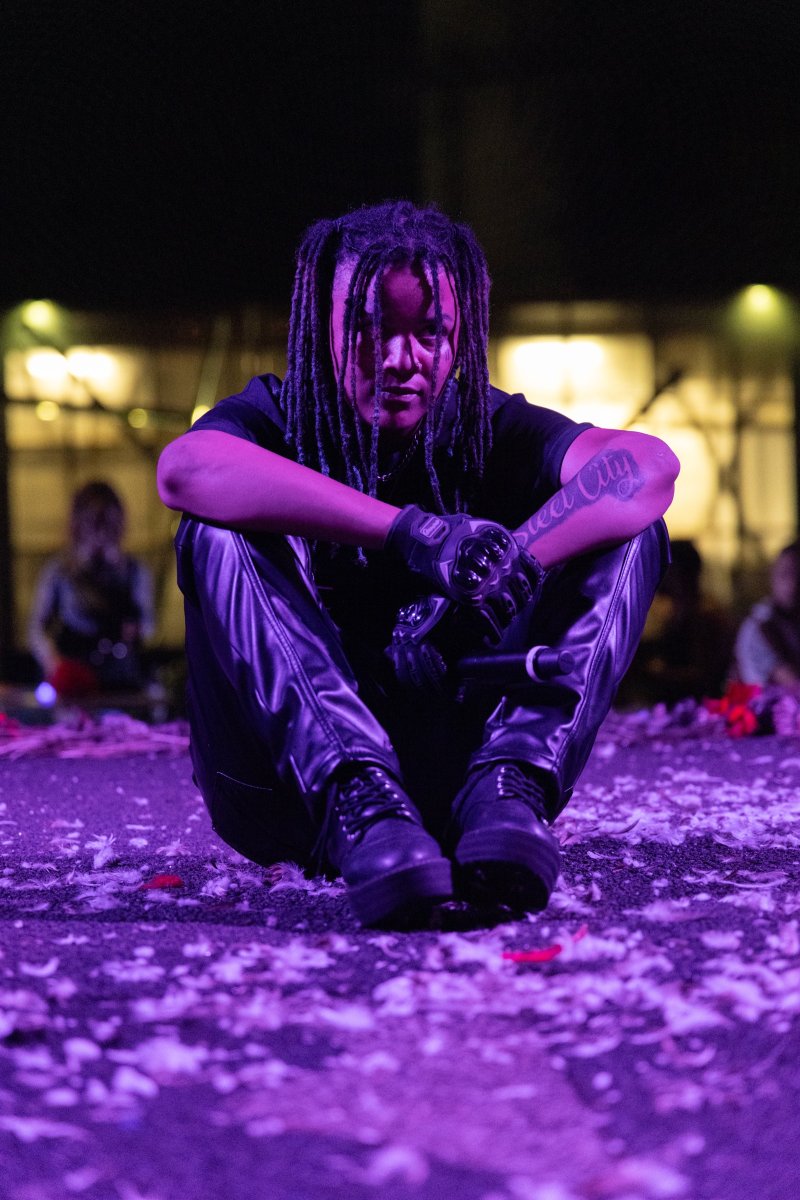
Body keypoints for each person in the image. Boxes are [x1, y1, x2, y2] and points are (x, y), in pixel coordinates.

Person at [157, 201, 678, 928]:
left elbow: (647, 469)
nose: (399, 359)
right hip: (285, 794)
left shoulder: (487, 428)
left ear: (459, 334)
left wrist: (498, 568)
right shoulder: (276, 419)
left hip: (459, 790)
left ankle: (513, 780)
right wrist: (415, 536)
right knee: (217, 531)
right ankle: (358, 793)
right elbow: (185, 471)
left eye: (428, 332)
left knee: (631, 531)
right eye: (367, 331)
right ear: (322, 327)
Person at [28, 481, 155, 696]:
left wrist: (134, 630)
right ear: (78, 524)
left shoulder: (134, 571)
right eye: (94, 522)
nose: (102, 532)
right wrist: (55, 663)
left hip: (121, 681)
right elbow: (37, 630)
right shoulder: (60, 571)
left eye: (109, 523)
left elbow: (148, 624)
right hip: (73, 682)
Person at [619, 539, 735, 706]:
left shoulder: (706, 618)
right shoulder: (675, 612)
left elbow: (704, 678)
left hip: (699, 713)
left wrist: (653, 672)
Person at [734, 541, 800, 690]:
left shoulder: (791, 621)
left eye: (798, 575)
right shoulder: (760, 627)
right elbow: (793, 682)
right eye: (786, 574)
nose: (793, 583)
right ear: (773, 575)